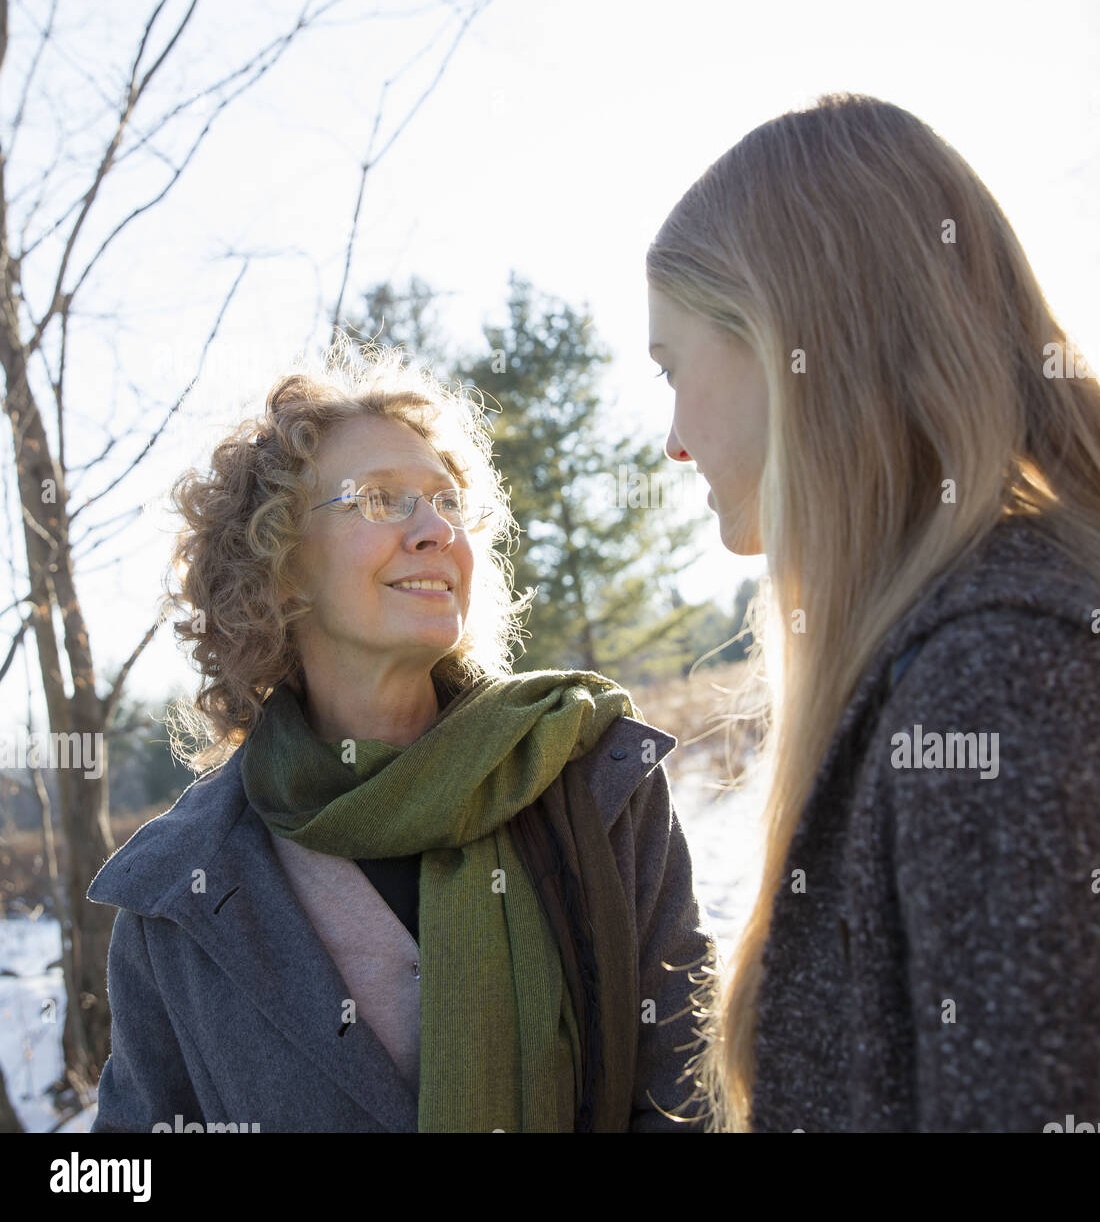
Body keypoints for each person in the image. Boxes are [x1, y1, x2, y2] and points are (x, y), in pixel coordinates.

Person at [645, 91, 1100, 1132]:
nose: (671, 438)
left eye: (671, 366)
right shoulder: (1040, 636)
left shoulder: (1002, 689)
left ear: (792, 341)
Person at [87, 345, 714, 1132]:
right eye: (382, 500)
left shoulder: (590, 773)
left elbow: (691, 1096)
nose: (435, 531)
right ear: (278, 567)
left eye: (448, 503)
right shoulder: (177, 891)